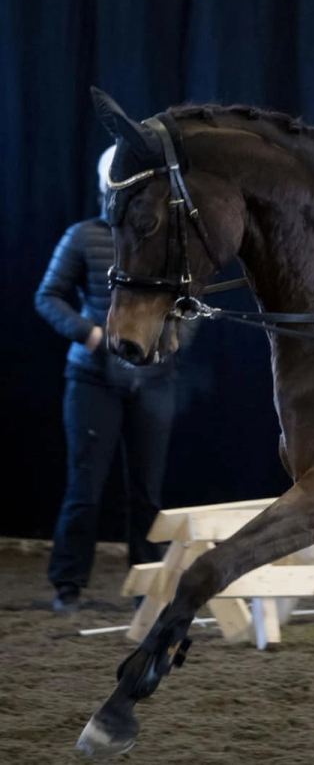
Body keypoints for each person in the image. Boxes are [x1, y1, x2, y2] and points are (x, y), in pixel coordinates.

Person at [34, 145, 185, 613]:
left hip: (154, 380)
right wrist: (92, 334)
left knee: (147, 493)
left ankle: (147, 589)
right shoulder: (81, 236)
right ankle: (68, 585)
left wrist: (168, 336)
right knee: (85, 487)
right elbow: (49, 296)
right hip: (92, 380)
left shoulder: (165, 240)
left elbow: (187, 302)